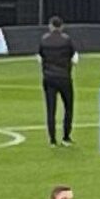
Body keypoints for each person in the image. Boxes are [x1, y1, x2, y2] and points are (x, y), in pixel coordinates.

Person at [38, 16, 77, 147]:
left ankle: (52, 139)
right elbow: (74, 58)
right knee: (68, 107)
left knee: (51, 109)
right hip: (64, 77)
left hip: (49, 77)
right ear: (61, 26)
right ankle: (66, 137)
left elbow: (40, 57)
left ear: (50, 26)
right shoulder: (67, 40)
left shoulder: (44, 40)